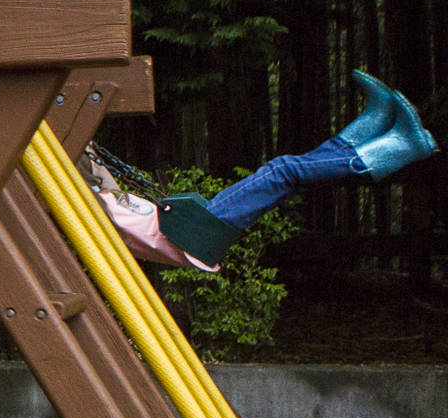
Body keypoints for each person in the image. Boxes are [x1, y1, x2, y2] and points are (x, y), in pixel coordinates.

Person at [85, 69, 438, 270]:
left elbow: (108, 184)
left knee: (287, 176)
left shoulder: (104, 198)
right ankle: (396, 147)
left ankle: (369, 129)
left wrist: (88, 150)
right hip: (190, 236)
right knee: (282, 171)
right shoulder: (81, 207)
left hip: (193, 224)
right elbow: (90, 196)